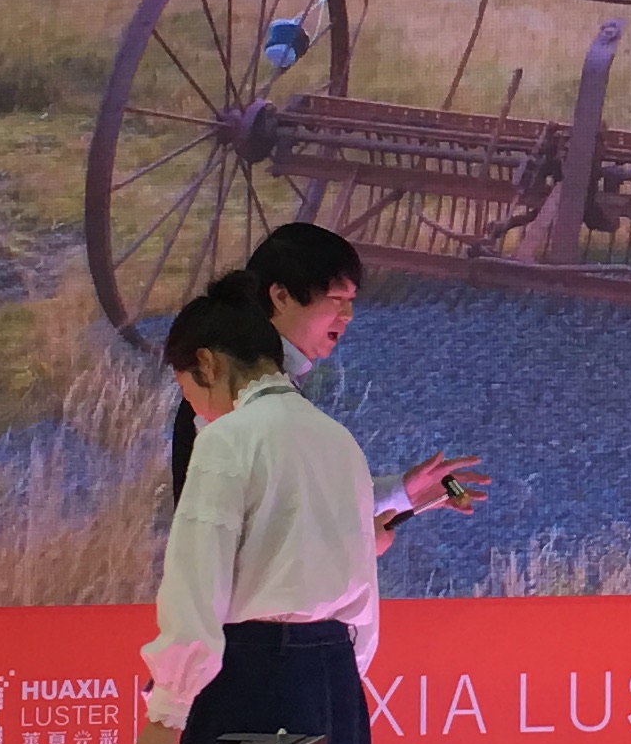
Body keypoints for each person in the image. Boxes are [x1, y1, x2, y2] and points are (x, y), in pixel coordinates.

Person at [127, 290, 392, 744]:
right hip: (335, 682)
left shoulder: (227, 440)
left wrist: (166, 714)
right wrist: (339, 679)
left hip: (249, 678)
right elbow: (364, 594)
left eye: (189, 393)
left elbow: (198, 580)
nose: (196, 411)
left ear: (208, 362)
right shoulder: (338, 440)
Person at [168, 222, 485, 528]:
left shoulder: (274, 393)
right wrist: (358, 544)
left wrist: (402, 494)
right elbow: (263, 530)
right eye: (337, 299)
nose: (348, 315)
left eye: (351, 301)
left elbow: (306, 508)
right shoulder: (230, 397)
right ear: (281, 297)